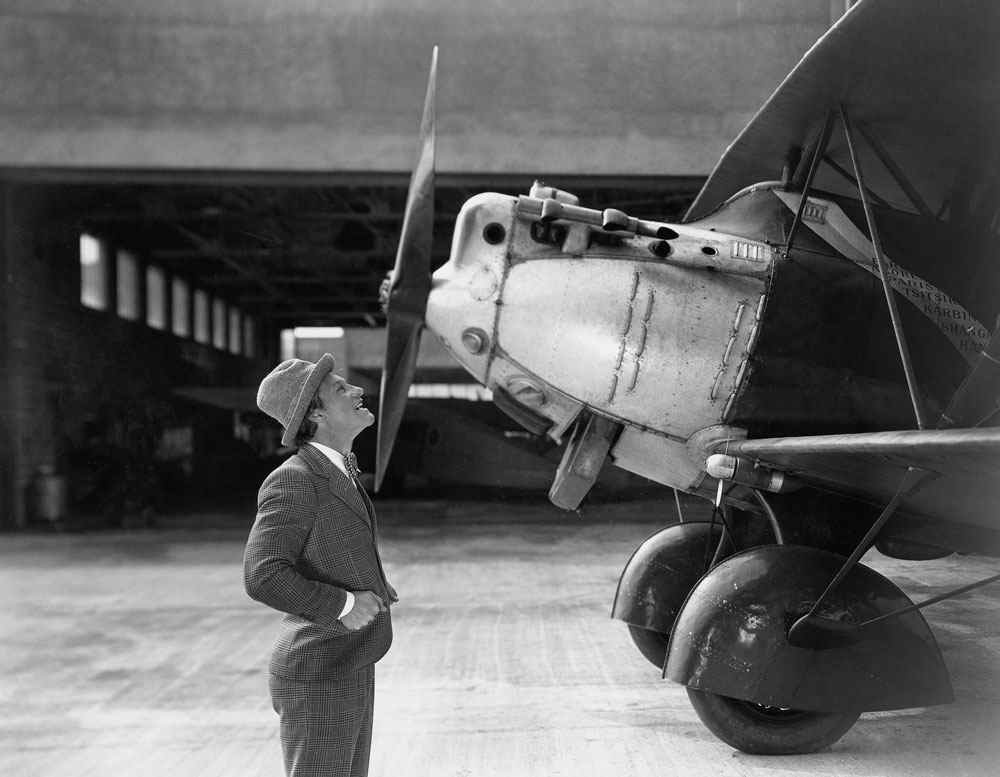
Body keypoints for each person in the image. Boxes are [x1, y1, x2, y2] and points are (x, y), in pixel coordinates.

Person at [244, 353, 397, 777]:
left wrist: (375, 586)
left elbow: (329, 545)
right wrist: (345, 605)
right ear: (316, 413)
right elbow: (262, 574)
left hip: (347, 661)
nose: (358, 391)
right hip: (318, 673)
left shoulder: (337, 470)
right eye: (341, 389)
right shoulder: (295, 478)